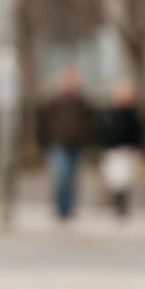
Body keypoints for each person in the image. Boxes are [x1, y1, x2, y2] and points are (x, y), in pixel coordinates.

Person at [36, 65, 97, 221]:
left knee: (71, 178)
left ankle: (69, 208)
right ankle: (60, 207)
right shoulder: (55, 101)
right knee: (61, 176)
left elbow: (91, 120)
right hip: (59, 144)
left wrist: (84, 136)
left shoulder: (81, 102)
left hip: (75, 144)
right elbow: (44, 120)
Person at [100, 78, 145, 219]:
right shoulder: (111, 113)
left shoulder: (132, 114)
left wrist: (138, 147)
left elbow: (138, 133)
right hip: (113, 151)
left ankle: (122, 205)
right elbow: (104, 132)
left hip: (127, 151)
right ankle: (117, 203)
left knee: (125, 180)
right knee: (115, 180)